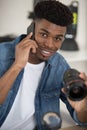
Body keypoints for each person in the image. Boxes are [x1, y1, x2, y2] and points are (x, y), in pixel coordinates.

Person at [0, 1, 87, 130]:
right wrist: (17, 65)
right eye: (44, 34)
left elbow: (82, 121)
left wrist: (83, 107)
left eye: (58, 38)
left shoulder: (60, 66)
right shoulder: (2, 54)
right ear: (32, 29)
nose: (50, 45)